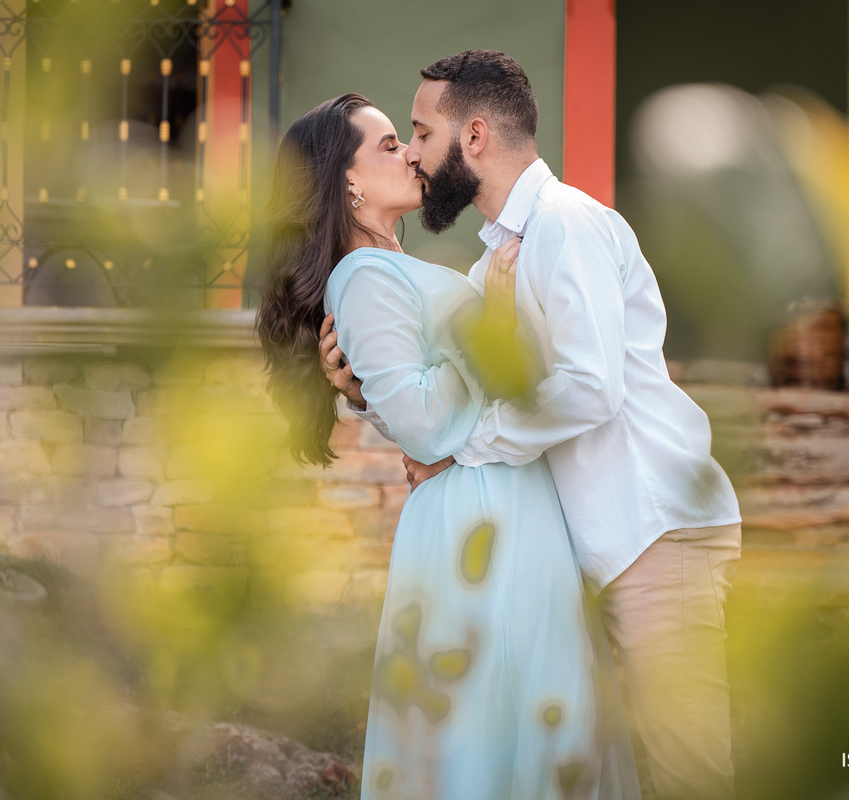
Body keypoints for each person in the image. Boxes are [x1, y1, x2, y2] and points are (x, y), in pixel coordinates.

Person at [319, 51, 743, 800]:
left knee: (689, 770)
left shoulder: (565, 225)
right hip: (593, 549)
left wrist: (470, 447)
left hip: (651, 532)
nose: (414, 154)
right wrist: (364, 395)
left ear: (474, 136)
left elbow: (587, 388)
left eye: (419, 133)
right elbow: (454, 397)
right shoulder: (496, 267)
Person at [256, 93, 639, 800]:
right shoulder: (362, 275)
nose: (409, 152)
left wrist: (371, 398)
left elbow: (417, 408)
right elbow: (429, 423)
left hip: (501, 501)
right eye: (389, 143)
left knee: (529, 717)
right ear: (348, 181)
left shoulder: (392, 269)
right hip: (481, 517)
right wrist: (485, 323)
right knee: (502, 725)